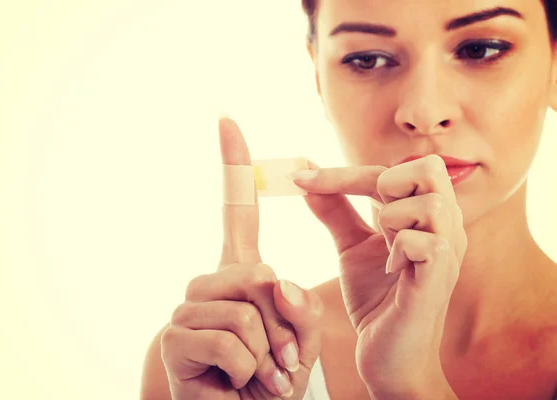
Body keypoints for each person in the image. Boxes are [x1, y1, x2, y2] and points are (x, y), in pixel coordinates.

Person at [141, 0, 557, 398]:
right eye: (368, 59)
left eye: (481, 49)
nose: (424, 110)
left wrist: (409, 387)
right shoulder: (212, 364)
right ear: (317, 77)